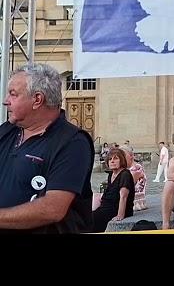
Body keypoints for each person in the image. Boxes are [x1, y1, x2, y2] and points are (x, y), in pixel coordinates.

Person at [0, 63, 94, 233]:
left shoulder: (73, 143)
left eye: (13, 95)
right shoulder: (6, 132)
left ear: (37, 99)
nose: (6, 101)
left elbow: (53, 209)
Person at [92, 148, 135, 232]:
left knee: (91, 220)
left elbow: (124, 196)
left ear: (121, 160)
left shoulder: (125, 174)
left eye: (116, 158)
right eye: (110, 159)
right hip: (106, 207)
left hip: (115, 209)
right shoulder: (111, 174)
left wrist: (120, 215)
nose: (112, 161)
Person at [120, 144, 147, 211]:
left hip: (133, 201)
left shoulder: (136, 168)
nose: (121, 159)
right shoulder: (127, 169)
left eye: (123, 156)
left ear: (131, 156)